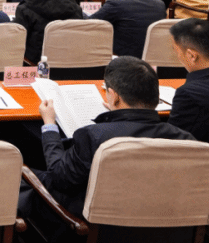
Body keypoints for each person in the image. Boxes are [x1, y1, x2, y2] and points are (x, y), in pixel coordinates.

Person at [18, 57, 194, 243]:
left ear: (114, 96)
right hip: (166, 230)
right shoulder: (186, 140)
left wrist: (49, 125)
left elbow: (58, 177)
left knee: (18, 174)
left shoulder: (94, 136)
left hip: (94, 227)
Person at [87, 0, 166, 57]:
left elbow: (90, 23)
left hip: (124, 58)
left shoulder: (115, 3)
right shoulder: (160, 4)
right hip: (154, 57)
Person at [13, 0, 83, 62]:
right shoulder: (74, 5)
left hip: (36, 61)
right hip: (70, 59)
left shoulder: (25, 8)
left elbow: (17, 40)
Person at [168, 19, 209, 142]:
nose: (177, 56)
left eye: (176, 51)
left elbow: (172, 141)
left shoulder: (188, 94)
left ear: (192, 55)